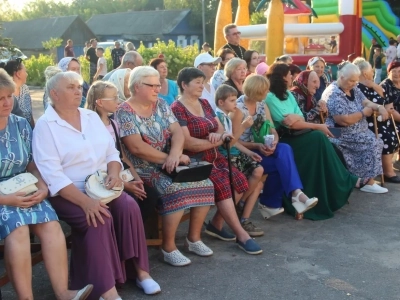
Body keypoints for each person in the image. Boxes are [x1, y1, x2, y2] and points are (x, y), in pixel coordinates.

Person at [33, 71, 161, 299]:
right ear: (54, 93)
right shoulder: (46, 126)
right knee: (98, 218)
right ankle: (105, 289)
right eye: (71, 87)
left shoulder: (90, 117)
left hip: (102, 185)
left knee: (128, 206)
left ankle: (140, 272)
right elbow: (52, 174)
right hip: (68, 193)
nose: (77, 90)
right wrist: (85, 202)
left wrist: (114, 172)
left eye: (79, 86)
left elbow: (112, 152)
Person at [0, 69, 93, 300]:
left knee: (51, 225)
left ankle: (63, 293)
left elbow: (32, 163)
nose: (6, 103)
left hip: (25, 186)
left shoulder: (20, 124)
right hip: (3, 197)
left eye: (9, 96)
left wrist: (43, 186)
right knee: (19, 229)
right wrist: (7, 199)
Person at [115, 66, 215, 266]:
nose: (157, 89)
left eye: (158, 84)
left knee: (206, 183)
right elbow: (136, 148)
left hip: (170, 162)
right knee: (175, 190)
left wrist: (175, 155)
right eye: (151, 85)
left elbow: (177, 132)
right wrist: (167, 159)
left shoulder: (160, 104)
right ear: (136, 87)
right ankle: (168, 247)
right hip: (143, 169)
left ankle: (193, 239)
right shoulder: (124, 111)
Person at [171, 67, 262, 255]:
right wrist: (214, 140)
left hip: (215, 157)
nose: (202, 86)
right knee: (222, 185)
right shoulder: (177, 108)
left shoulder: (204, 103)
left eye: (202, 82)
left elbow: (221, 130)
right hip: (195, 161)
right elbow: (188, 142)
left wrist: (217, 135)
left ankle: (216, 224)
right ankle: (242, 235)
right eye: (197, 82)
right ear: (184, 85)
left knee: (240, 182)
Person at [265, 66, 370, 220]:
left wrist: (296, 118)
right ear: (282, 77)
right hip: (286, 140)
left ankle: (344, 182)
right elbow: (289, 124)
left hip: (301, 135)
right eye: (289, 75)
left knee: (325, 142)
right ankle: (348, 180)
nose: (291, 77)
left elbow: (300, 117)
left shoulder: (288, 94)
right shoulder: (270, 98)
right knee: (319, 137)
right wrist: (316, 126)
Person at [229, 73, 318, 220]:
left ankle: (294, 194)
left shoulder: (262, 105)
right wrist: (256, 145)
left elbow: (272, 129)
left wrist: (274, 141)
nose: (267, 93)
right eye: (265, 91)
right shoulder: (239, 109)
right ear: (256, 91)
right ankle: (275, 202)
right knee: (280, 163)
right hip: (245, 153)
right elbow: (233, 141)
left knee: (284, 148)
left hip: (260, 148)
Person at [85, 81, 159, 220]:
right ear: (100, 102)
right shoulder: (89, 126)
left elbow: (122, 156)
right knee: (131, 200)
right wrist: (126, 186)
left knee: (149, 195)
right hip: (103, 176)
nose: (118, 100)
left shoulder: (113, 123)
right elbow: (97, 162)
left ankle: (139, 236)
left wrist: (137, 180)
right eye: (113, 97)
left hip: (121, 171)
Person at [321, 62, 389, 193]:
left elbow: (365, 101)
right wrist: (363, 113)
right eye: (351, 80)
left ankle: (362, 179)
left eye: (356, 80)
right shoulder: (334, 93)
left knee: (376, 139)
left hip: (359, 131)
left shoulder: (353, 88)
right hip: (341, 133)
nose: (354, 83)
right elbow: (343, 120)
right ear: (341, 78)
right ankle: (367, 182)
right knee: (372, 142)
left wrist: (379, 107)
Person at [215, 84, 264, 236]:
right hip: (226, 157)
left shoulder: (227, 116)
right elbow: (228, 143)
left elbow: (234, 142)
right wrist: (243, 127)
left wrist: (250, 153)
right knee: (256, 181)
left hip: (235, 153)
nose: (236, 103)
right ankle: (240, 210)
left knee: (259, 172)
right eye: (232, 100)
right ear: (221, 102)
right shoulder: (218, 118)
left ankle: (240, 203)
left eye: (236, 99)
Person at [353, 57, 400, 183]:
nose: (373, 73)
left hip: (381, 120)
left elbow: (384, 99)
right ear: (365, 73)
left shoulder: (371, 85)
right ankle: (388, 172)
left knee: (392, 134)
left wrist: (374, 85)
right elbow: (364, 107)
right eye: (371, 71)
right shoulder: (358, 88)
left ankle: (387, 169)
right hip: (367, 121)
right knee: (387, 138)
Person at [0, 58, 34, 127]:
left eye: (9, 96)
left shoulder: (25, 89)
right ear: (18, 74)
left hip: (27, 130)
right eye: (25, 71)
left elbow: (30, 114)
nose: (27, 74)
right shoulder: (6, 93)